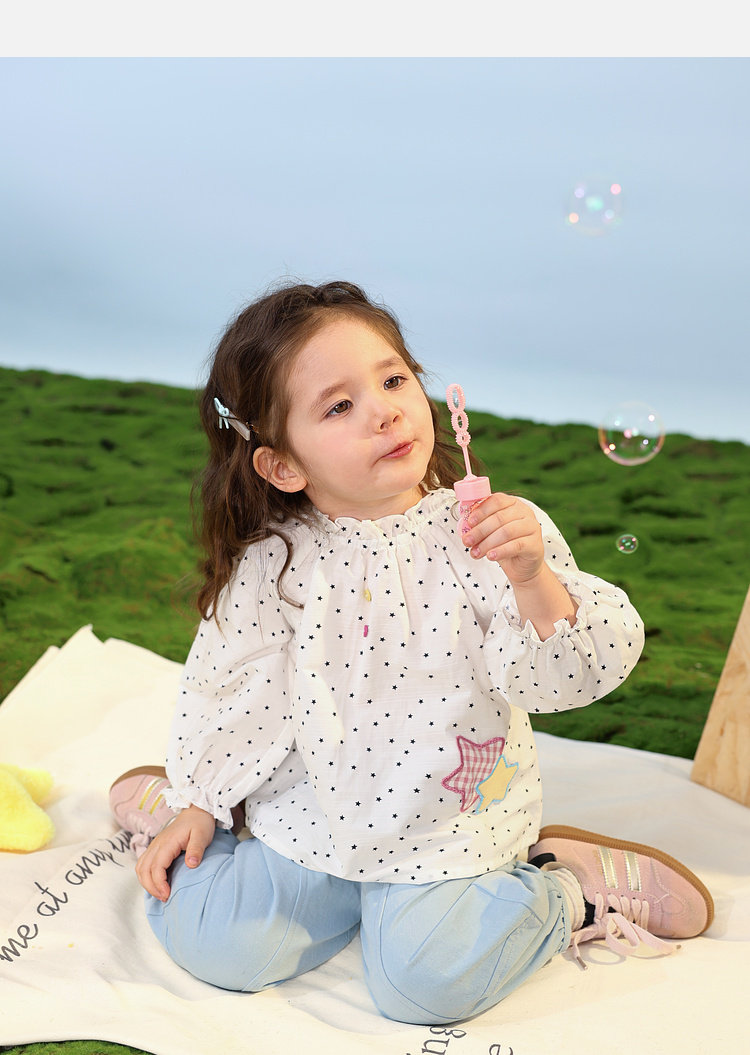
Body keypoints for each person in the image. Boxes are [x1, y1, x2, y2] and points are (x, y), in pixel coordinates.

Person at [110, 280, 713, 1024]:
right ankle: (177, 812)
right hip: (311, 820)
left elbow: (560, 680)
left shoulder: (486, 534)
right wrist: (202, 796)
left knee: (427, 987)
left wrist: (532, 578)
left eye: (394, 380)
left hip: (446, 827)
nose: (386, 411)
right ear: (284, 465)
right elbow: (231, 685)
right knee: (217, 945)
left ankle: (567, 887)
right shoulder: (274, 563)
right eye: (340, 406)